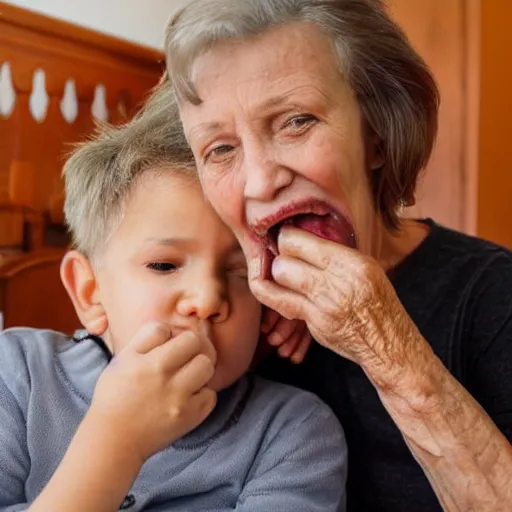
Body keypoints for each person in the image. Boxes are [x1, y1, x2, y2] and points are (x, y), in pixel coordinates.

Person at [164, 0, 512, 510]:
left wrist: (384, 344)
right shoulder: (224, 310)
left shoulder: (493, 294)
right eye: (220, 149)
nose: (262, 181)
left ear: (376, 134)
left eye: (296, 122)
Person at [0, 84, 347, 512]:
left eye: (239, 270)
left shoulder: (293, 432)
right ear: (90, 292)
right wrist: (117, 440)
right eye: (164, 265)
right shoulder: (16, 378)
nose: (206, 299)